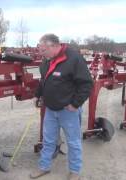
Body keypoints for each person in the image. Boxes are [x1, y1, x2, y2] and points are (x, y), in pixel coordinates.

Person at [30, 34, 93, 180]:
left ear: (53, 46)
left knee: (73, 142)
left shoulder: (73, 58)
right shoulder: (47, 60)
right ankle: (44, 167)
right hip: (51, 110)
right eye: (40, 50)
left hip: (68, 111)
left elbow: (86, 84)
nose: (41, 54)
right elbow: (44, 80)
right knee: (48, 140)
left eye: (43, 50)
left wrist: (75, 104)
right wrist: (37, 95)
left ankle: (74, 171)